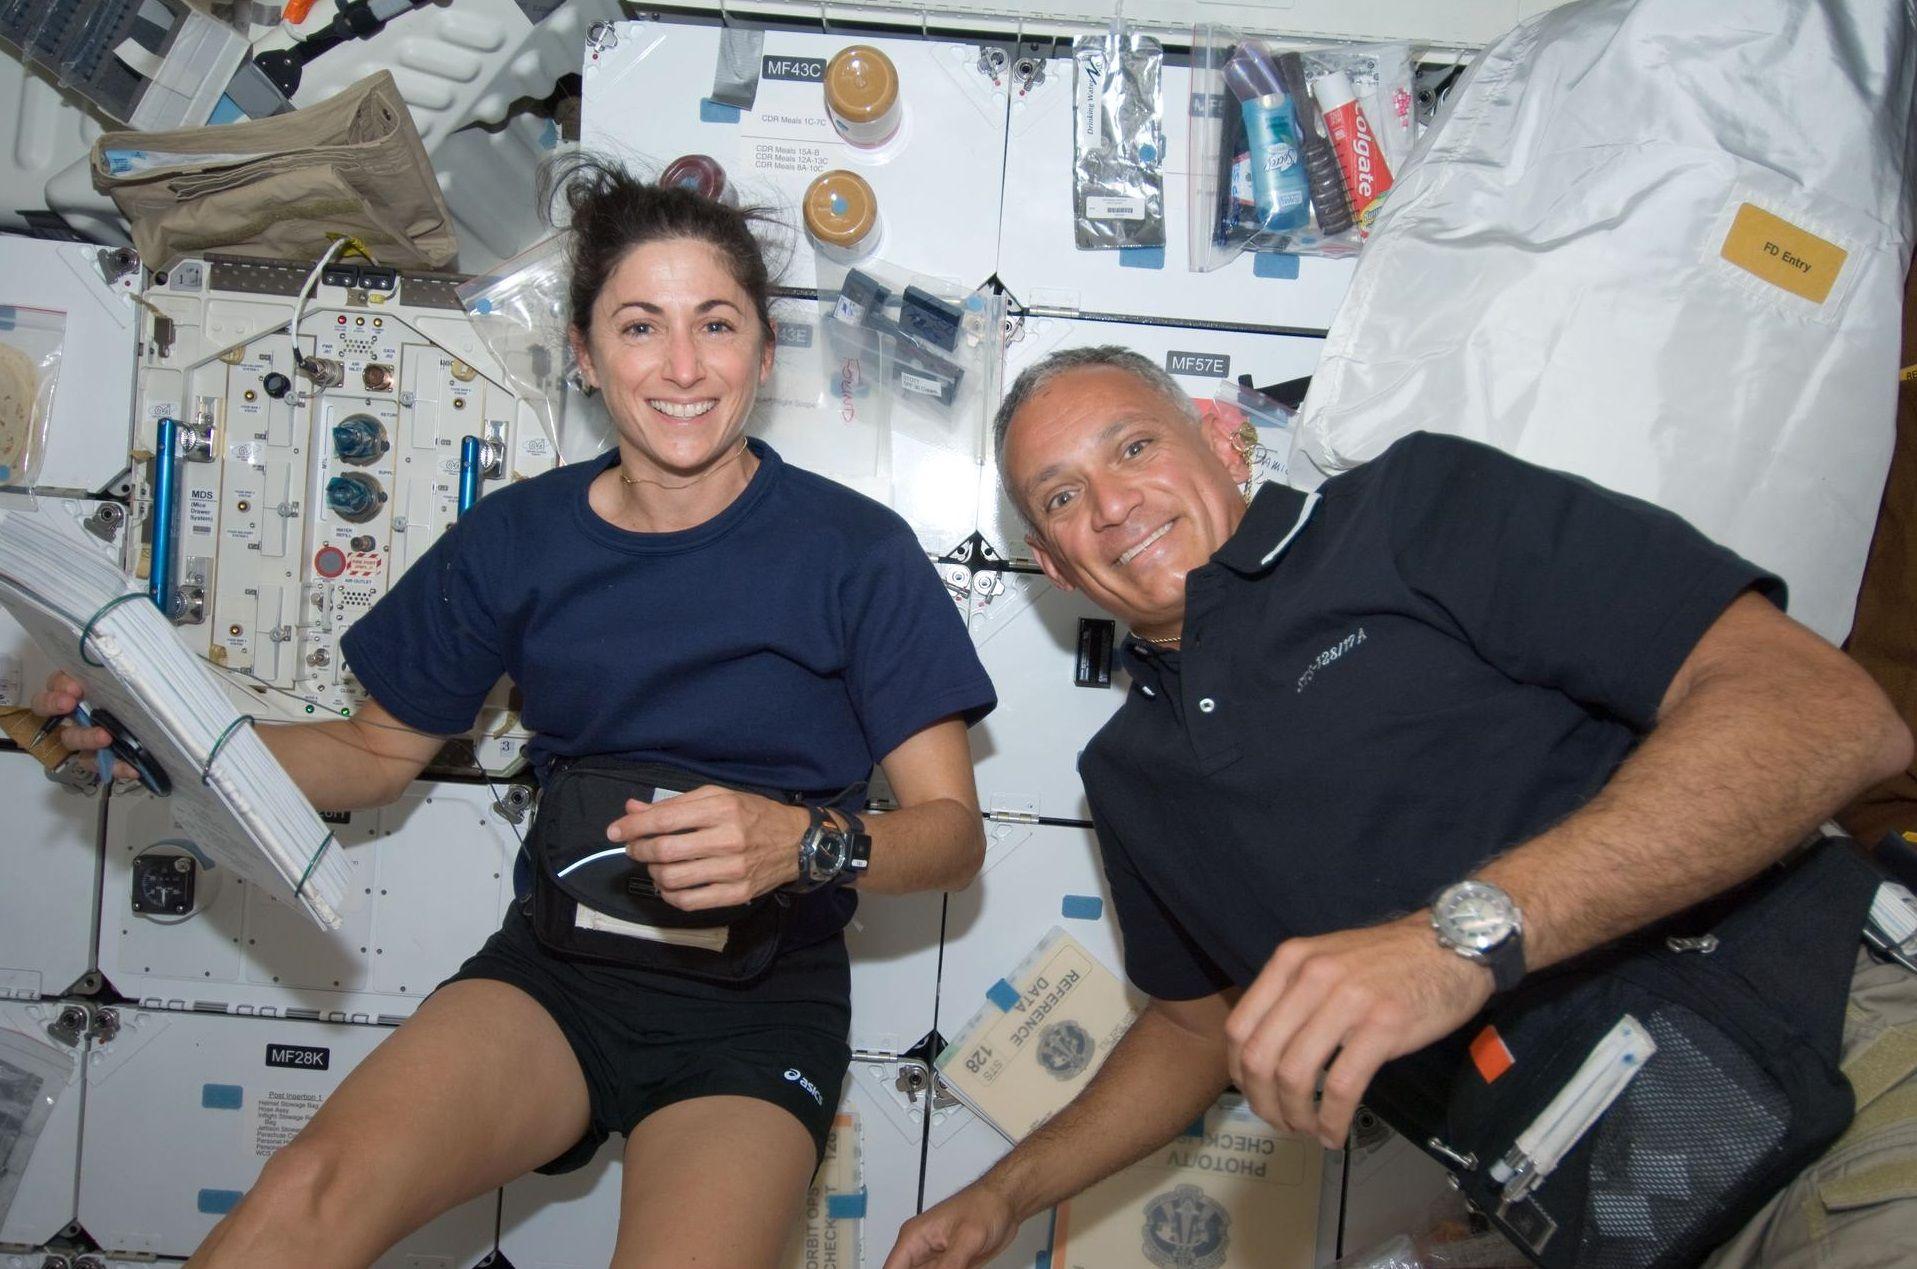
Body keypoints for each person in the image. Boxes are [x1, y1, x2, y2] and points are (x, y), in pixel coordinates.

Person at [41, 159, 997, 1269]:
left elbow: (954, 836)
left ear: (765, 355)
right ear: (586, 357)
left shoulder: (858, 554)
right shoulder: (518, 539)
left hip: (759, 1003)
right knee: (304, 1198)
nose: (683, 367)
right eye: (640, 327)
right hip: (556, 976)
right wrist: (159, 734)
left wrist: (805, 839)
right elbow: (369, 753)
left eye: (717, 325)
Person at [885, 346, 1917, 1268]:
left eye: (1134, 447)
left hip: (1834, 1059)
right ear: (1058, 567)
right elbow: (1196, 1035)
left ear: (1217, 441)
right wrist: (1002, 1195)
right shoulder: (1127, 778)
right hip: (1623, 1199)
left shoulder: (1412, 509)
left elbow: (1826, 714)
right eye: (1061, 499)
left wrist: (1458, 940)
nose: (1110, 506)